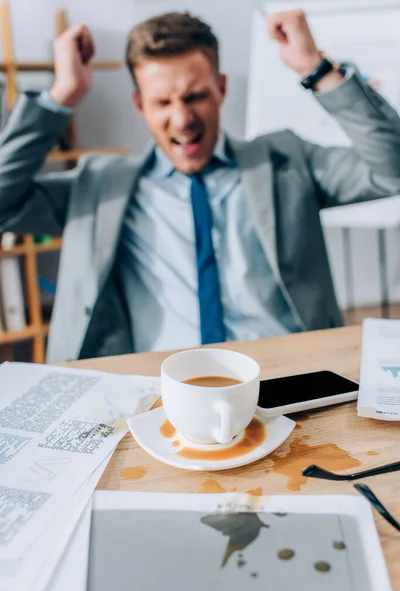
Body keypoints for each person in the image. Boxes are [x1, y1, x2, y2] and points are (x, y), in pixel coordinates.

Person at [1, 10, 400, 363]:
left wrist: (316, 68)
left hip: (291, 380)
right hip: (160, 396)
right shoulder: (100, 185)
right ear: (140, 105)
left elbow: (391, 170)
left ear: (221, 88)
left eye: (195, 96)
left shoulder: (286, 159)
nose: (182, 120)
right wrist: (62, 97)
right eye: (163, 102)